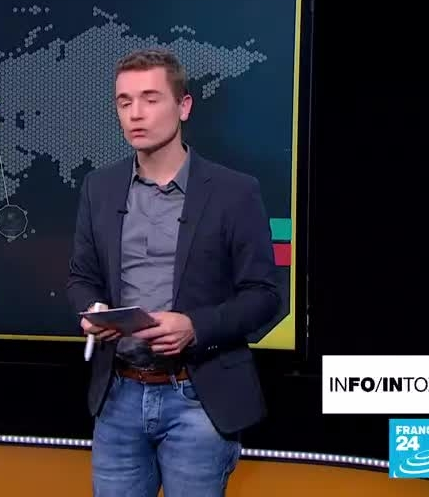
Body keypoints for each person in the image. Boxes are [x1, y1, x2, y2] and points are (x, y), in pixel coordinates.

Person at [66, 48, 283, 497]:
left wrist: (195, 327)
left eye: (150, 99)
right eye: (124, 102)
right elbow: (81, 278)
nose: (135, 114)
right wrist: (93, 310)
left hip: (199, 399)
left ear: (183, 106)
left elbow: (264, 296)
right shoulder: (98, 188)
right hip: (118, 397)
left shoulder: (235, 192)